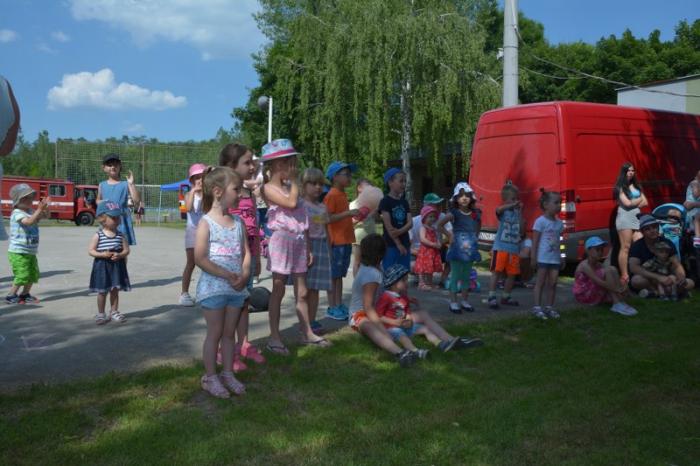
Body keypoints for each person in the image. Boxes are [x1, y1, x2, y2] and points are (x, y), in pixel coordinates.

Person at [262, 139, 327, 355]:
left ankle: (306, 332)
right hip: (282, 241)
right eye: (289, 163)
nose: (293, 167)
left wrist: (308, 247)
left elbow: (302, 217)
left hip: (299, 241)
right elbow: (290, 203)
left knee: (303, 291)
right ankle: (274, 337)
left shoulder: (291, 187)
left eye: (293, 163)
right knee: (278, 288)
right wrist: (295, 181)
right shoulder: (268, 188)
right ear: (275, 164)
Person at [194, 166, 249, 399]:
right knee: (215, 332)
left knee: (229, 333)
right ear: (218, 191)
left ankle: (227, 373)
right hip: (214, 289)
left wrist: (244, 274)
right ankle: (210, 377)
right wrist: (226, 274)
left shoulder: (238, 222)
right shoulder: (206, 223)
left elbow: (246, 252)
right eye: (236, 189)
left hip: (235, 289)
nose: (240, 194)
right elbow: (200, 258)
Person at [220, 144, 267, 371]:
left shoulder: (248, 193)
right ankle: (223, 349)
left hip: (249, 257)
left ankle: (244, 344)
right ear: (231, 166)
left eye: (252, 162)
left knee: (245, 302)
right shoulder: (224, 194)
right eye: (247, 163)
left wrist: (256, 257)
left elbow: (254, 228)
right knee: (229, 305)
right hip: (231, 260)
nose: (252, 166)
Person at [437, 182, 481, 313]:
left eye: (467, 195)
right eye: (461, 195)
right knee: (456, 275)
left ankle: (465, 300)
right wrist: (449, 235)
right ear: (456, 198)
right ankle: (453, 301)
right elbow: (439, 225)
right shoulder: (454, 213)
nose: (464, 198)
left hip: (470, 249)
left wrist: (476, 236)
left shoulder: (475, 213)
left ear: (471, 197)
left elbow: (479, 223)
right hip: (457, 249)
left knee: (466, 275)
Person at [324, 161, 359, 320]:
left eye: (350, 174)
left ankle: (338, 304)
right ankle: (332, 306)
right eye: (346, 174)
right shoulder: (331, 195)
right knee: (334, 276)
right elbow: (327, 218)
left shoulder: (342, 194)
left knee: (338, 276)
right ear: (335, 177)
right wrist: (348, 214)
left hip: (344, 240)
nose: (350, 177)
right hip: (336, 242)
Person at [628, 214, 695, 299]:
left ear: (658, 228)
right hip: (648, 278)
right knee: (636, 280)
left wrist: (681, 276)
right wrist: (658, 277)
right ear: (642, 232)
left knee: (690, 283)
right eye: (647, 229)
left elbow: (676, 264)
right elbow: (634, 268)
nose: (652, 231)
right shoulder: (637, 246)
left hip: (667, 277)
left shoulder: (667, 242)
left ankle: (654, 293)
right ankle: (668, 292)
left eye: (654, 227)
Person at [300, 168, 333, 335]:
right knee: (304, 288)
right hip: (306, 247)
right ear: (304, 185)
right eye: (313, 183)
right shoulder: (300, 205)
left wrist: (329, 247)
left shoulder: (322, 207)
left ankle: (312, 320)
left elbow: (326, 229)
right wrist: (306, 249)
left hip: (321, 246)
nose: (318, 187)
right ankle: (304, 321)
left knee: (315, 288)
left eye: (320, 184)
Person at [5, 183, 50, 304]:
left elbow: (46, 216)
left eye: (30, 197)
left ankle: (25, 294)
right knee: (22, 274)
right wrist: (39, 210)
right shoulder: (17, 213)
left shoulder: (31, 211)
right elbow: (28, 222)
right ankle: (11, 295)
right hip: (18, 251)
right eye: (25, 198)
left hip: (30, 250)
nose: (29, 200)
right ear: (17, 201)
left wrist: (45, 208)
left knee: (32, 274)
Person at [88, 201, 131, 324]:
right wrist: (102, 254)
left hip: (116, 267)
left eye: (118, 217)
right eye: (114, 217)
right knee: (102, 291)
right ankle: (101, 314)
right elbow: (91, 251)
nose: (117, 220)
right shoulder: (98, 235)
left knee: (115, 290)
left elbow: (127, 250)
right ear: (102, 219)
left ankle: (114, 311)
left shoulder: (120, 235)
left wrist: (120, 255)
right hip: (102, 267)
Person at [573, 236, 637, 316]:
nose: (600, 252)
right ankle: (617, 302)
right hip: (584, 294)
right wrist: (618, 289)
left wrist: (621, 286)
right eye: (597, 250)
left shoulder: (599, 264)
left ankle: (620, 301)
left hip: (594, 290)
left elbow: (610, 278)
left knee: (612, 269)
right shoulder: (584, 265)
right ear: (588, 251)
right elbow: (599, 282)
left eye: (602, 250)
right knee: (608, 270)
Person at [487, 183, 524, 309]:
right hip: (501, 248)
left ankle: (506, 296)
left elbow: (522, 230)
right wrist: (511, 205)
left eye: (517, 198)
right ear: (505, 199)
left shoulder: (517, 213)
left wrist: (521, 212)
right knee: (496, 272)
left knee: (512, 274)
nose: (516, 201)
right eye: (513, 198)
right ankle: (492, 296)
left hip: (513, 249)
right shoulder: (504, 211)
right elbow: (498, 210)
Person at [531, 191, 564, 320]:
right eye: (556, 202)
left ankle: (549, 307)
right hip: (543, 258)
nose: (559, 205)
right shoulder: (540, 222)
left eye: (560, 202)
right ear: (545, 205)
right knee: (540, 282)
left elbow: (561, 241)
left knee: (553, 283)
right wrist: (533, 257)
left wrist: (562, 256)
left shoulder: (559, 223)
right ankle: (537, 307)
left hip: (555, 259)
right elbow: (535, 241)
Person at [613, 162, 648, 284]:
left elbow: (645, 202)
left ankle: (640, 271)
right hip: (625, 218)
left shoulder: (636, 186)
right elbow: (627, 204)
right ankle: (624, 275)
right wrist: (639, 200)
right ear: (624, 172)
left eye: (633, 170)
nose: (631, 173)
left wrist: (635, 202)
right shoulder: (620, 187)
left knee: (641, 244)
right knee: (625, 247)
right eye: (629, 171)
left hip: (636, 218)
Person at [96, 153, 140, 246]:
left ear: (120, 166)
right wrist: (102, 203)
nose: (113, 167)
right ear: (104, 168)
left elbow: (136, 201)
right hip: (107, 220)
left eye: (115, 165)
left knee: (122, 248)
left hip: (121, 220)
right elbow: (98, 200)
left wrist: (131, 184)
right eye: (109, 165)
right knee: (106, 246)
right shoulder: (102, 185)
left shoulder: (125, 184)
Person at [410, 193, 451, 287]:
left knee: (452, 254)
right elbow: (420, 240)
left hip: (435, 250)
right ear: (426, 207)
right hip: (420, 251)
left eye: (440, 205)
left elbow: (450, 234)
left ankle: (441, 280)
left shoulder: (441, 217)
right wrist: (418, 252)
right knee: (415, 265)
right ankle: (420, 280)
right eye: (436, 205)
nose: (439, 208)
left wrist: (441, 243)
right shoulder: (415, 222)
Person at [180, 163, 206, 307]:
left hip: (206, 232)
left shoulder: (208, 195)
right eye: (196, 178)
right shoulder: (188, 194)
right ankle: (184, 293)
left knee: (207, 263)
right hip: (192, 231)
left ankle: (204, 292)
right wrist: (193, 191)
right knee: (191, 263)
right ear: (191, 180)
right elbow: (189, 208)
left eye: (202, 177)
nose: (200, 180)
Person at [380, 168, 412, 270]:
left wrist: (398, 232)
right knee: (390, 272)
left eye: (405, 181)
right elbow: (388, 226)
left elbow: (410, 223)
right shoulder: (385, 201)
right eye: (401, 181)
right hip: (391, 244)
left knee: (404, 272)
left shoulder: (404, 202)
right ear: (390, 182)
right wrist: (398, 244)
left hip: (405, 242)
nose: (404, 184)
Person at [351, 178, 377, 277]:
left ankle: (370, 283)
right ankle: (357, 283)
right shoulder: (354, 204)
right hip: (358, 238)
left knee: (372, 262)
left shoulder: (372, 204)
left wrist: (375, 213)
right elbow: (351, 222)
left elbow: (377, 219)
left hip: (371, 236)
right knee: (358, 262)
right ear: (359, 188)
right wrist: (362, 216)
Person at [413, 205, 443, 290]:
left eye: (434, 217)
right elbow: (423, 239)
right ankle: (421, 283)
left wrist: (438, 243)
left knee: (430, 268)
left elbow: (437, 237)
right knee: (423, 267)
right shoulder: (423, 228)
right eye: (430, 217)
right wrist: (433, 244)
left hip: (432, 251)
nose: (432, 219)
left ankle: (429, 283)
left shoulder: (433, 228)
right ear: (424, 217)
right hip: (425, 251)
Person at [684, 174, 700, 249]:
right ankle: (697, 236)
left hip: (695, 210)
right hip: (693, 212)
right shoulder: (695, 183)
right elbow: (696, 194)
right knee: (697, 217)